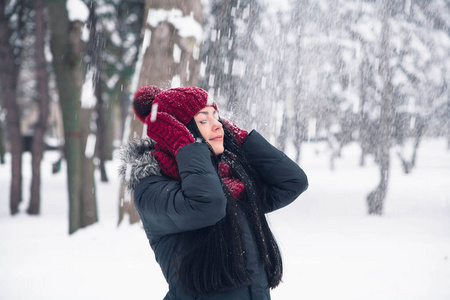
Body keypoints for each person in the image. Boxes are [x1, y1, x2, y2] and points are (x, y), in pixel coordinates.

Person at [118, 85, 308, 300]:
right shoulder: (152, 187)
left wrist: (238, 138)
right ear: (179, 131)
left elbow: (292, 182)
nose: (218, 125)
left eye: (217, 117)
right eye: (203, 120)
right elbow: (207, 206)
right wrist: (184, 145)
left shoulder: (231, 180)